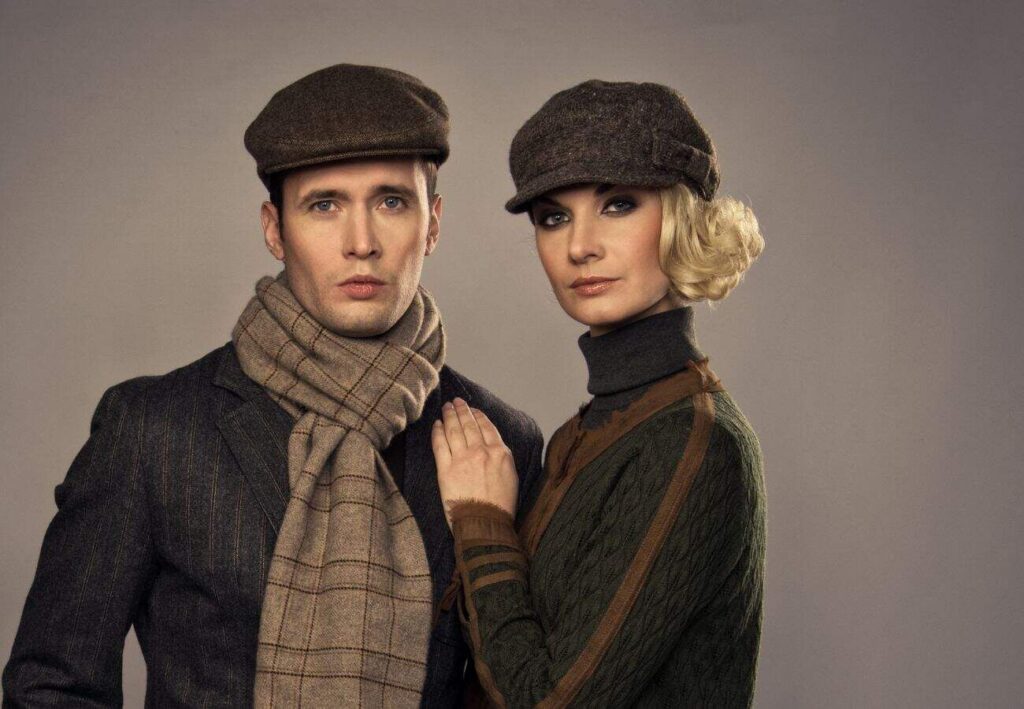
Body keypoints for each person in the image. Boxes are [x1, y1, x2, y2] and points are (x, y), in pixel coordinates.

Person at [2, 64, 544, 708]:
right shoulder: (154, 430)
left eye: (391, 202)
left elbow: (516, 685)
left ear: (433, 224)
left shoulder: (501, 439)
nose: (361, 242)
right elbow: (51, 686)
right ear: (274, 228)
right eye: (324, 205)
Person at [431, 79, 767, 707]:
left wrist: (482, 522)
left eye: (618, 204)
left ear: (681, 216)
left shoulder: (691, 442)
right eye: (553, 217)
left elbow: (548, 701)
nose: (580, 246)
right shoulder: (591, 429)